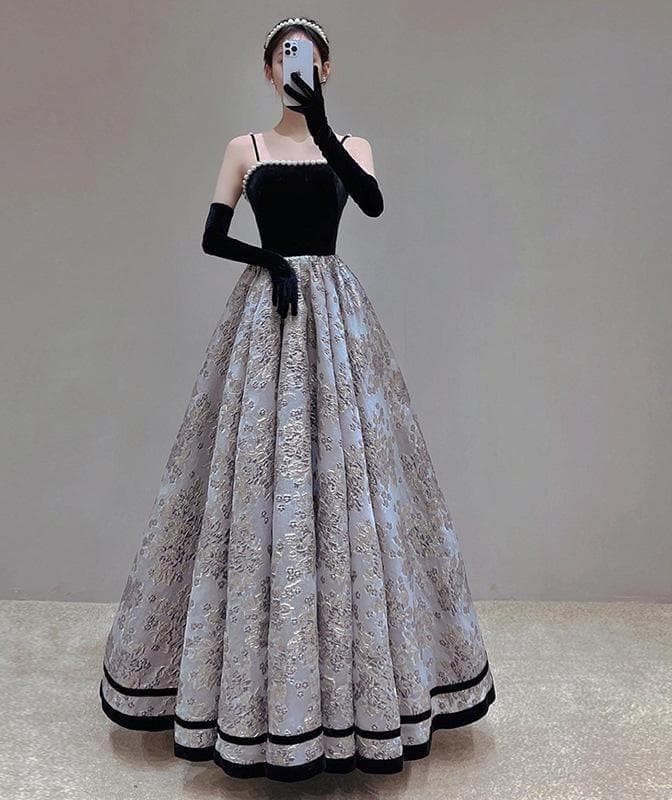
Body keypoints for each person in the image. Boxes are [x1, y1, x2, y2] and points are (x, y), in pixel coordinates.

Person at [99, 16, 495, 783]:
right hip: (266, 312)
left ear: (327, 68)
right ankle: (249, 696)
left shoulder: (352, 145)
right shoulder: (244, 148)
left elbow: (371, 203)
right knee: (257, 476)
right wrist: (271, 261)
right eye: (283, 54)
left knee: (351, 477)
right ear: (266, 68)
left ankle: (357, 697)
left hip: (337, 318)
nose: (295, 64)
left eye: (306, 54)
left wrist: (321, 127)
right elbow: (213, 235)